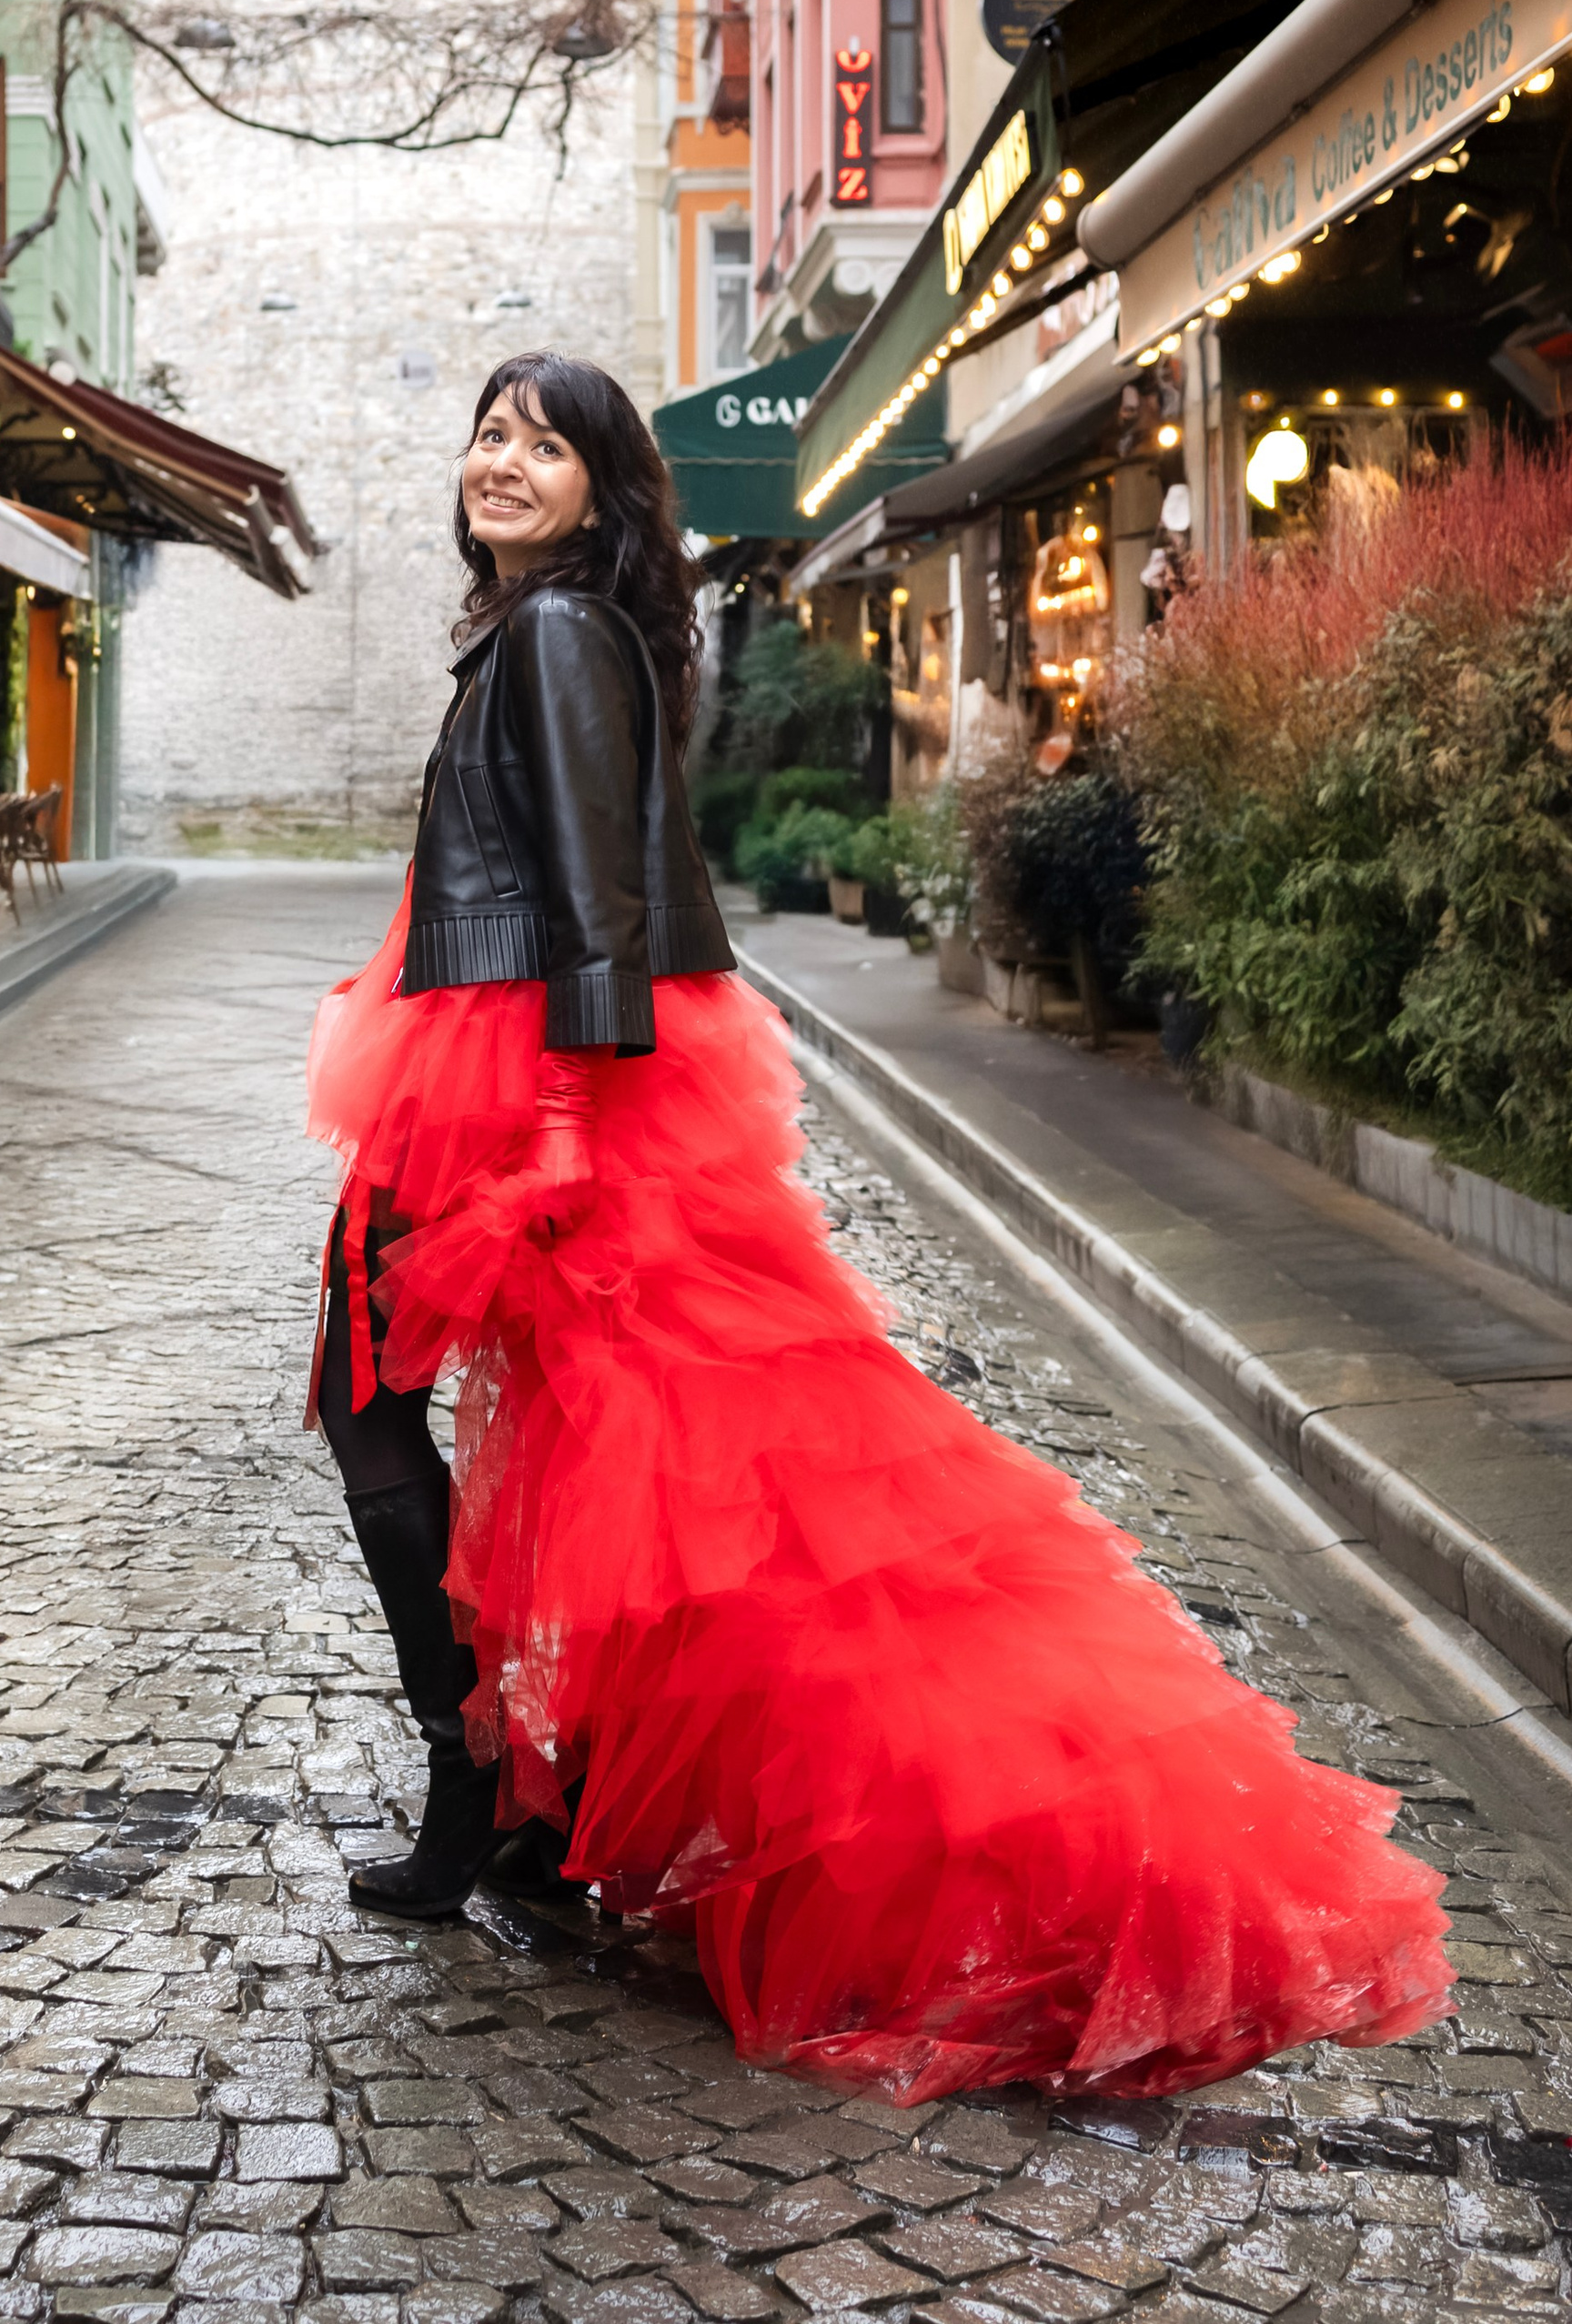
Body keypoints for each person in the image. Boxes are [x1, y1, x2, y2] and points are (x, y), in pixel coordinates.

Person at [305, 349, 1454, 2105]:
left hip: (523, 1075)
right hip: (515, 1055)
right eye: (485, 434)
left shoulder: (553, 635)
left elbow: (602, 888)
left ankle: (495, 1791)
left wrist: (546, 1123)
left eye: (545, 444)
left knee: (477, 1414)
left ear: (609, 489)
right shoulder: (557, 625)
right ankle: (516, 1791)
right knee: (626, 1444)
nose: (502, 461)